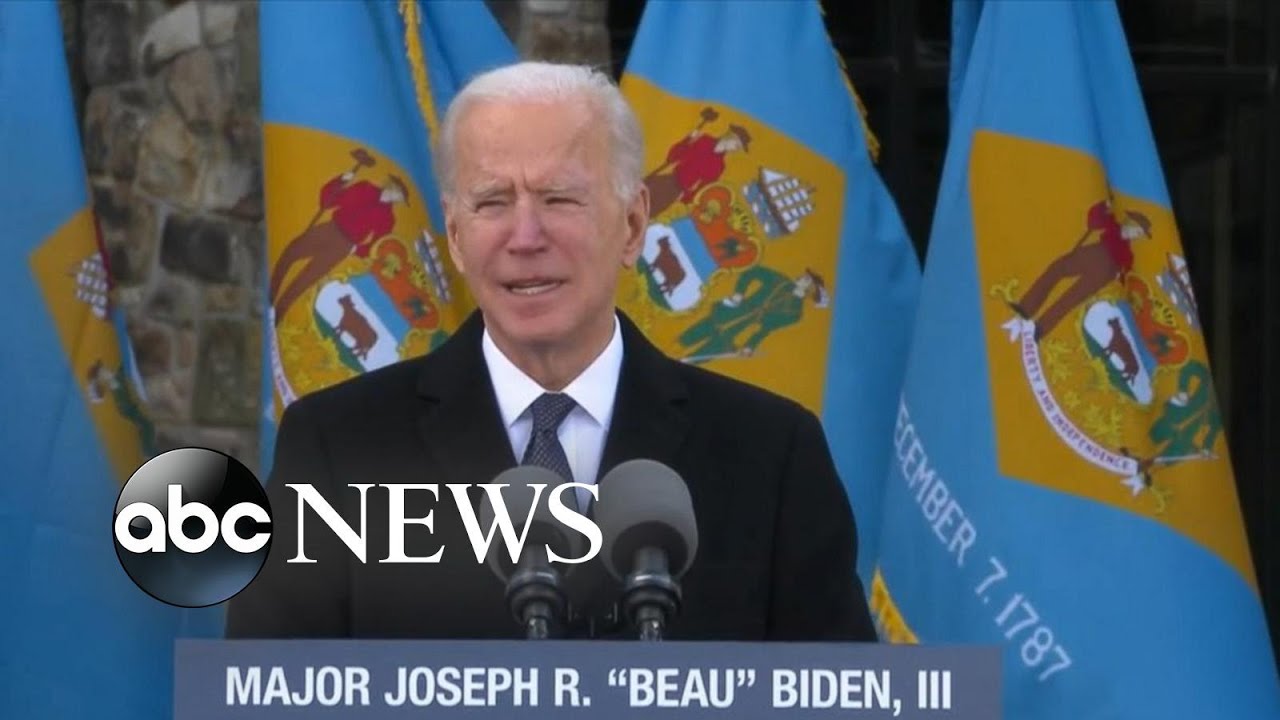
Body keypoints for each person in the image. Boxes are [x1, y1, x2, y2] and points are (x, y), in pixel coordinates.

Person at [226, 62, 877, 642]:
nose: (526, 236)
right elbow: (267, 694)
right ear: (454, 236)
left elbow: (837, 696)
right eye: (493, 202)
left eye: (559, 198)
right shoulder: (340, 447)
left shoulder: (770, 451)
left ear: (632, 222)